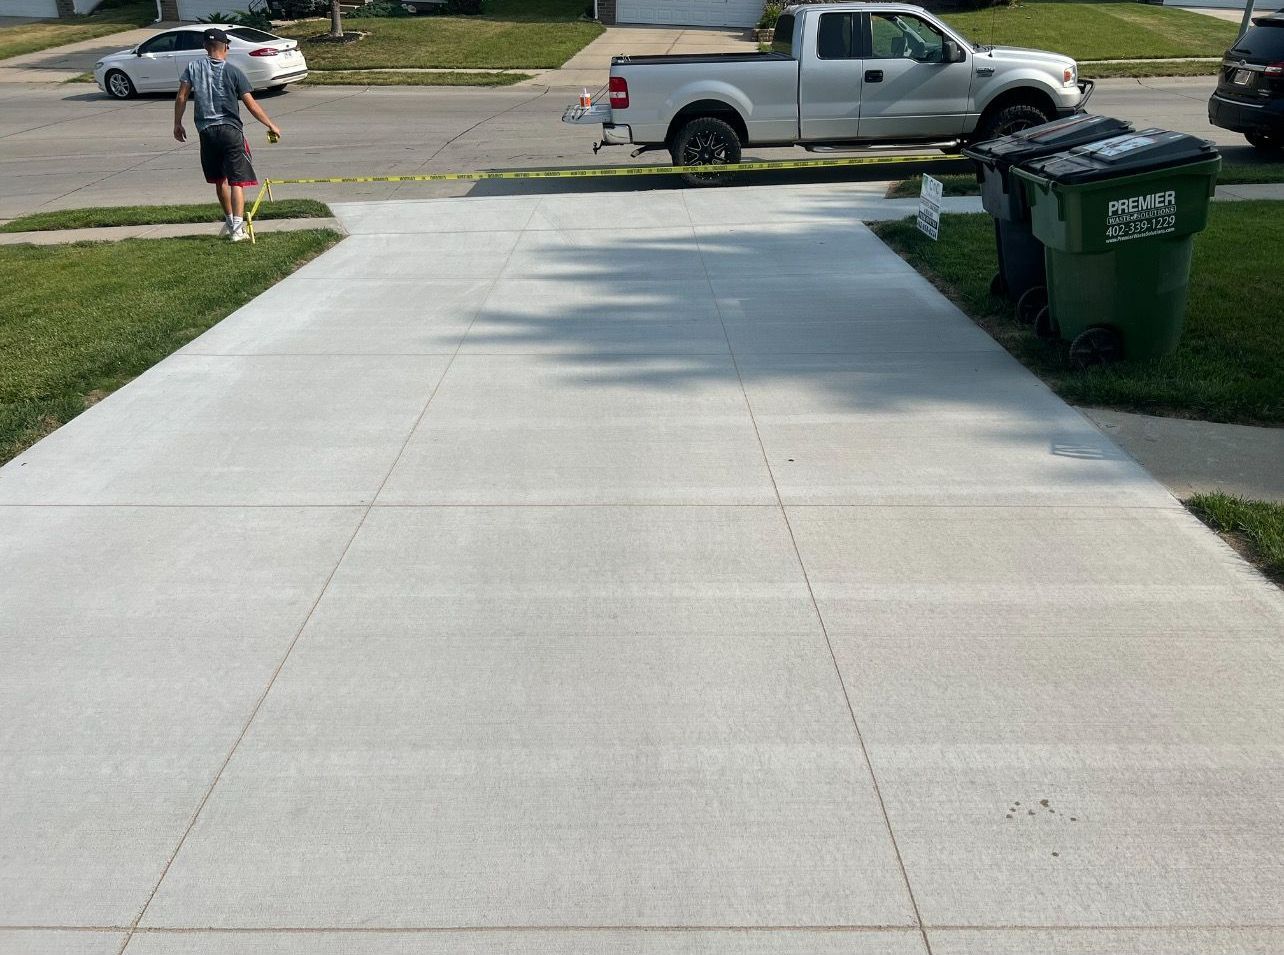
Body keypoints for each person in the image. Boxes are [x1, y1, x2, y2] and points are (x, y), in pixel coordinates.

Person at [173, 28, 282, 242]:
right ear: (226, 47)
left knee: (219, 179)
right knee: (237, 181)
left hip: (206, 131)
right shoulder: (233, 71)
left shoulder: (193, 68)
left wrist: (177, 123)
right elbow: (251, 104)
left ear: (205, 46)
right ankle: (238, 231)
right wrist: (270, 124)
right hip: (230, 130)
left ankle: (230, 221)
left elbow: (181, 97)